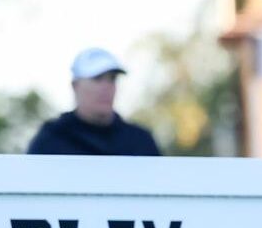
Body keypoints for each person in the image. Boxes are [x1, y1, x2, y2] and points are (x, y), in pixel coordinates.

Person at [27, 47, 161, 156]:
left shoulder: (140, 141)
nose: (106, 87)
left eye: (112, 79)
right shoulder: (51, 140)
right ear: (75, 86)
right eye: (97, 78)